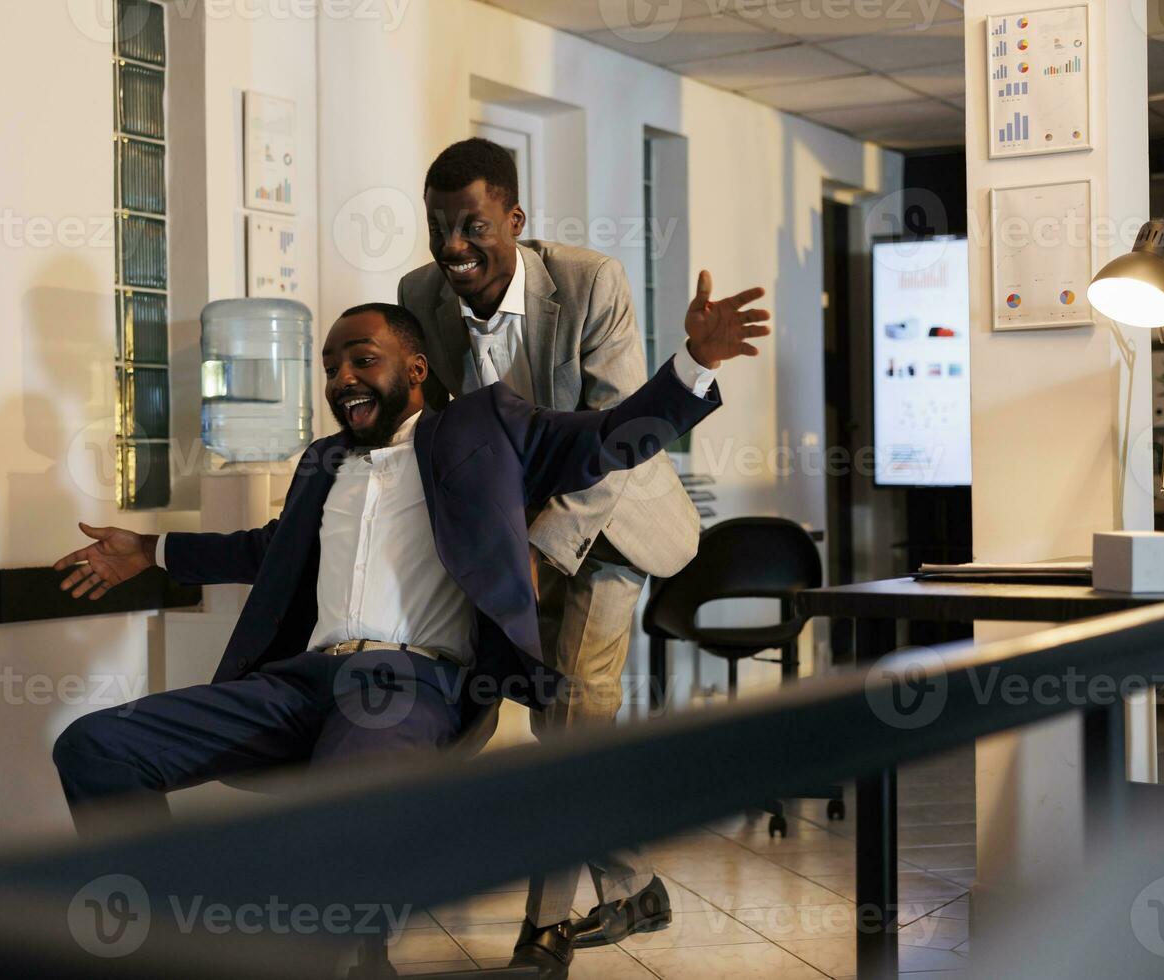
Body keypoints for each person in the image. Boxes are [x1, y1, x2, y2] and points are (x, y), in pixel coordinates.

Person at [52, 299, 766, 977]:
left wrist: (693, 365)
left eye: (362, 360)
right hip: (297, 683)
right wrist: (152, 550)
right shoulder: (322, 461)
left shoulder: (485, 430)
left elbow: (607, 440)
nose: (342, 380)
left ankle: (347, 953)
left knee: (338, 814)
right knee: (96, 747)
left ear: (416, 368)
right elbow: (268, 549)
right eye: (331, 368)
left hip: (405, 682)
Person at [398, 137, 767, 971]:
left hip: (608, 524)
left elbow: (622, 437)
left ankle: (546, 930)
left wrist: (541, 549)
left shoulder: (589, 281)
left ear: (515, 220)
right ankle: (635, 886)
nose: (453, 246)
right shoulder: (418, 295)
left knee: (571, 715)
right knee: (534, 716)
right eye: (437, 226)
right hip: (511, 533)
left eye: (473, 226)